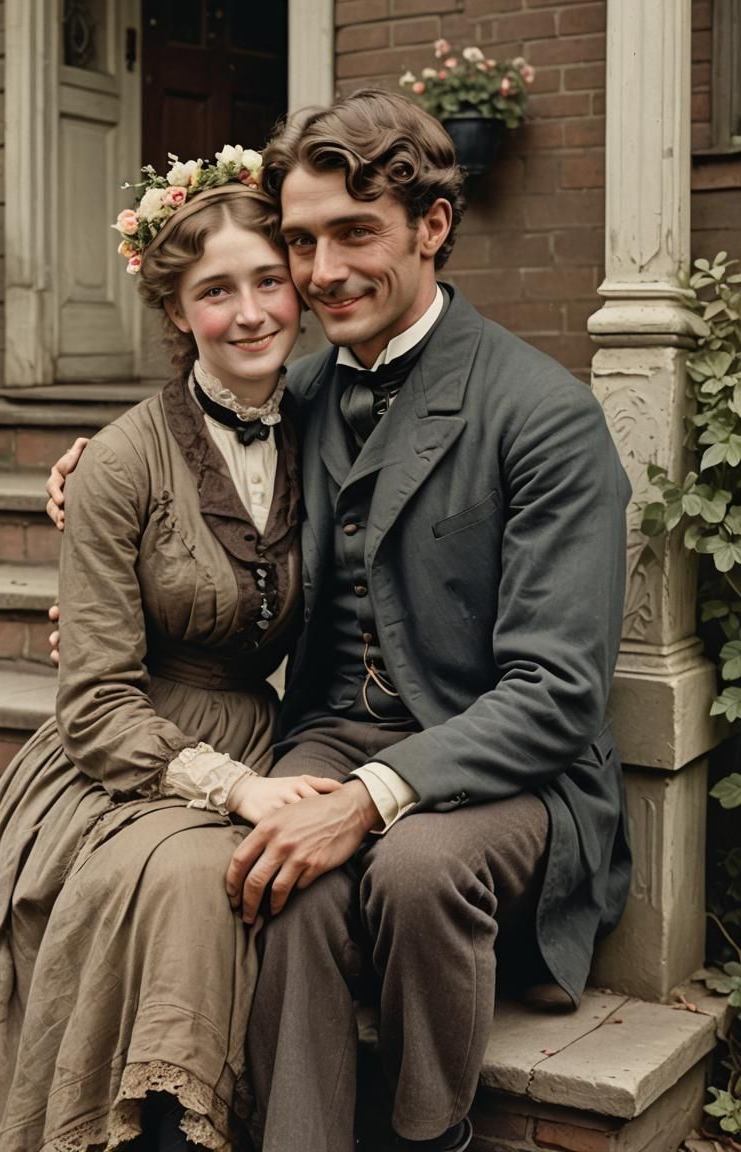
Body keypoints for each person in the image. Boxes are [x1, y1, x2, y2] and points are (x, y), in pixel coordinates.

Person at [46, 91, 632, 1152]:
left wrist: (369, 800)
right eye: (303, 240)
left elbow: (555, 694)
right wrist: (95, 474)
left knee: (410, 868)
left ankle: (427, 1136)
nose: (320, 274)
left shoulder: (543, 413)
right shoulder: (301, 391)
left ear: (432, 229)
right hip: (327, 730)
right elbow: (195, 438)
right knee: (283, 882)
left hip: (509, 774)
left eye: (355, 233)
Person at [0, 149, 341, 1152]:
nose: (248, 313)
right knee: (183, 888)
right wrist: (235, 790)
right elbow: (96, 701)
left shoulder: (329, 420)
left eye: (267, 282)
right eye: (214, 293)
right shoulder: (120, 461)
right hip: (124, 756)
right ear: (175, 315)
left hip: (267, 733)